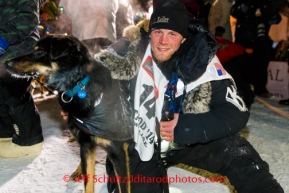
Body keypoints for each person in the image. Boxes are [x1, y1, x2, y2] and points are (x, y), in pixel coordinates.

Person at [92, 1, 285, 192]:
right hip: (138, 140)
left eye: (172, 34)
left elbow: (236, 112)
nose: (163, 41)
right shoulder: (130, 48)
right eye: (158, 32)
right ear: (149, 33)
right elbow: (85, 74)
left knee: (236, 152)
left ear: (183, 39)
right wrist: (77, 98)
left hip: (184, 139)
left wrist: (187, 126)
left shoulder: (200, 59)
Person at [0, 0, 46, 157]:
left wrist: (4, 39)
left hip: (21, 51)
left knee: (15, 93)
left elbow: (27, 19)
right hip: (6, 53)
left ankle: (30, 140)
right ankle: (6, 133)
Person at [231, 0, 282, 98]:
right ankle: (241, 88)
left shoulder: (267, 2)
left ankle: (260, 89)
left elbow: (276, 17)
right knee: (242, 63)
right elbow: (234, 12)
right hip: (244, 36)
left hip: (261, 37)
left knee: (261, 63)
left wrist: (268, 14)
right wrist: (246, 6)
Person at [58, 0, 134, 55]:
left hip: (85, 33)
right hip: (105, 32)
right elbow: (117, 7)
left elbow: (69, 9)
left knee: (88, 65)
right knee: (106, 64)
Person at [214, 26, 255, 110]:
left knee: (234, 77)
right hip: (237, 58)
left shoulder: (215, 43)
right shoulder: (221, 42)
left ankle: (246, 99)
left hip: (235, 60)